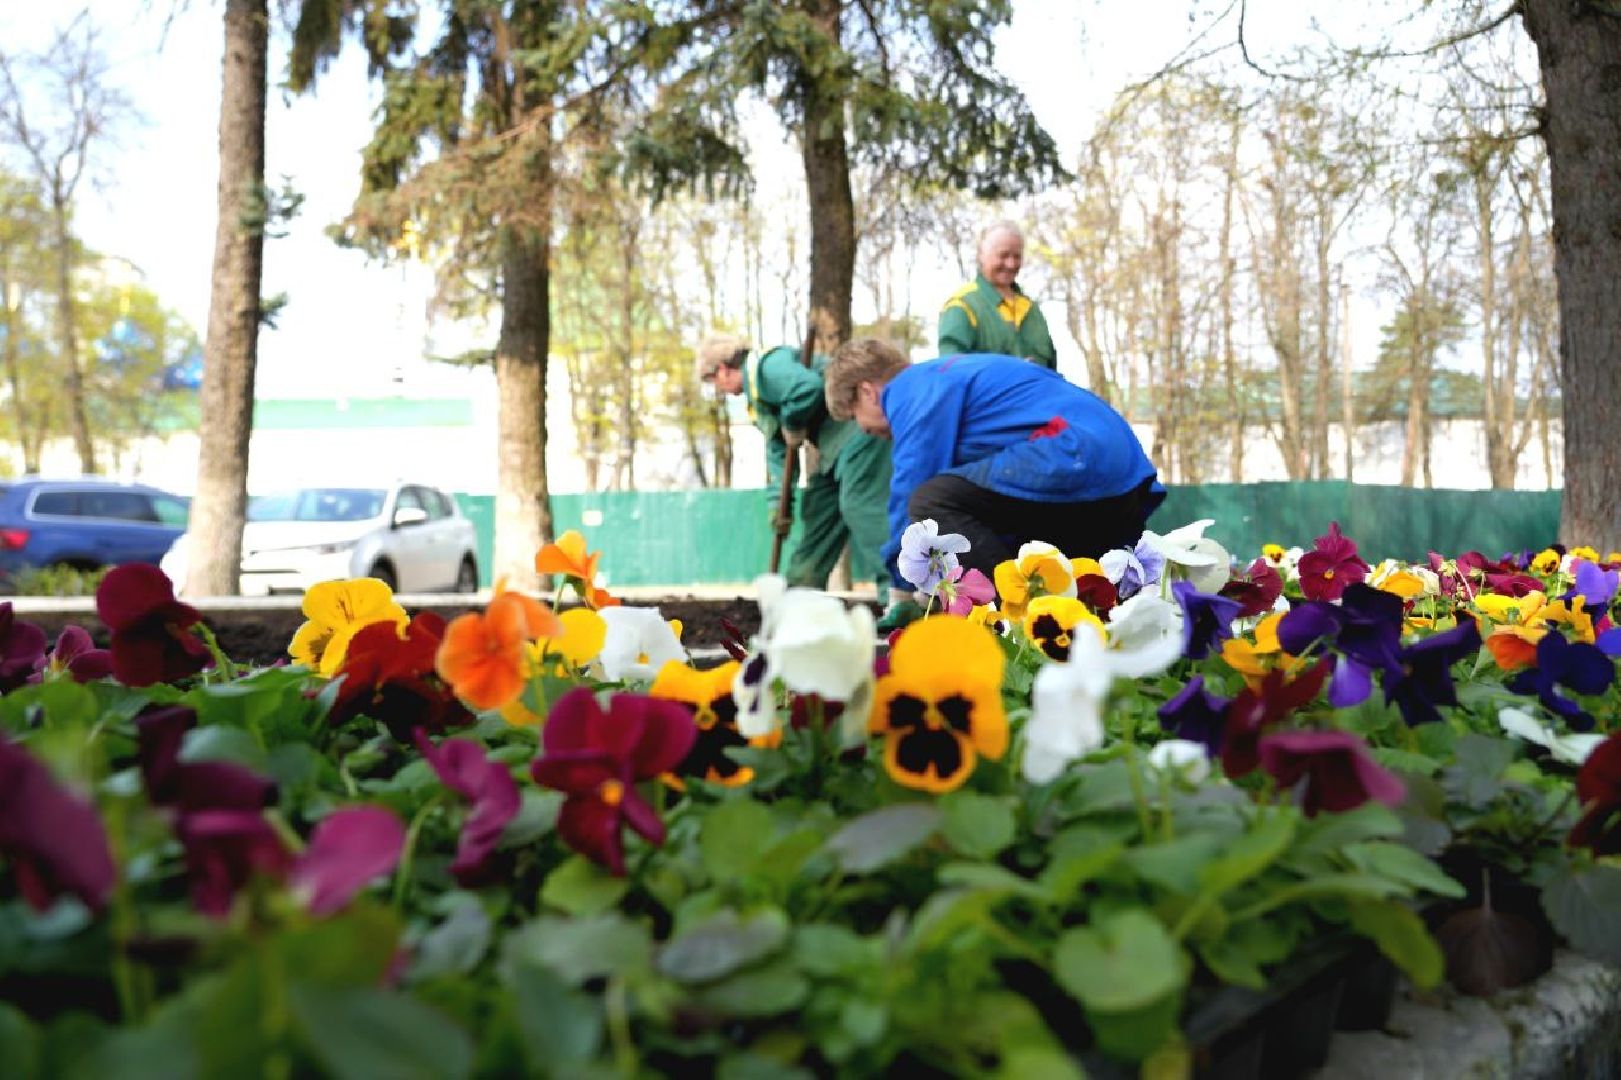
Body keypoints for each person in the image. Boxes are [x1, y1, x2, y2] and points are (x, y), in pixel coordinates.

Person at [824, 340, 1164, 630]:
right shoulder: (961, 373)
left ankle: (1008, 623)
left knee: (930, 501)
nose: (863, 430)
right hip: (1119, 475)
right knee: (1085, 615)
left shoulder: (912, 387)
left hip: (1073, 454)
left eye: (854, 416)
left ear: (867, 392)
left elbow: (912, 484)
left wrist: (902, 583)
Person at [695, 333, 893, 604]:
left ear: (722, 370)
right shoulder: (757, 398)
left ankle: (900, 595)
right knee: (818, 511)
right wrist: (779, 504)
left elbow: (808, 387)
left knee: (861, 506)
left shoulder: (767, 366)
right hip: (832, 452)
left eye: (713, 382)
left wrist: (792, 421)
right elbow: (778, 450)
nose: (719, 389)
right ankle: (799, 599)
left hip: (859, 431)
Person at [937, 221, 1057, 369]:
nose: (1011, 264)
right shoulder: (961, 306)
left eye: (1017, 256)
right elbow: (952, 371)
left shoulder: (1032, 310)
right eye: (1003, 255)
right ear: (981, 255)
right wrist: (1009, 373)